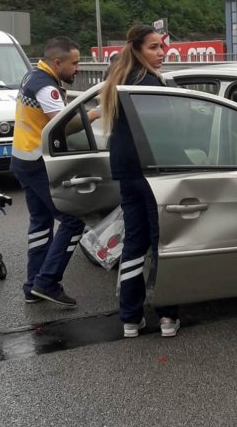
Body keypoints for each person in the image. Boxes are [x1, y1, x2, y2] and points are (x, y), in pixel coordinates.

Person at [99, 24, 180, 338]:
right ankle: (167, 317)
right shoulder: (149, 83)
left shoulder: (117, 80)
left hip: (127, 172)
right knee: (161, 244)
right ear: (137, 50)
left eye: (161, 47)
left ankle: (130, 319)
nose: (161, 53)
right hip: (153, 173)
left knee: (134, 244)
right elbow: (164, 133)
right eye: (154, 47)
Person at [10, 36, 99, 306]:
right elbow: (63, 126)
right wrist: (95, 114)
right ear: (57, 62)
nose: (78, 68)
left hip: (22, 158)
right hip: (37, 162)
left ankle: (32, 286)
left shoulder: (32, 76)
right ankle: (47, 282)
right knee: (72, 219)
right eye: (74, 63)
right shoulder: (46, 89)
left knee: (41, 223)